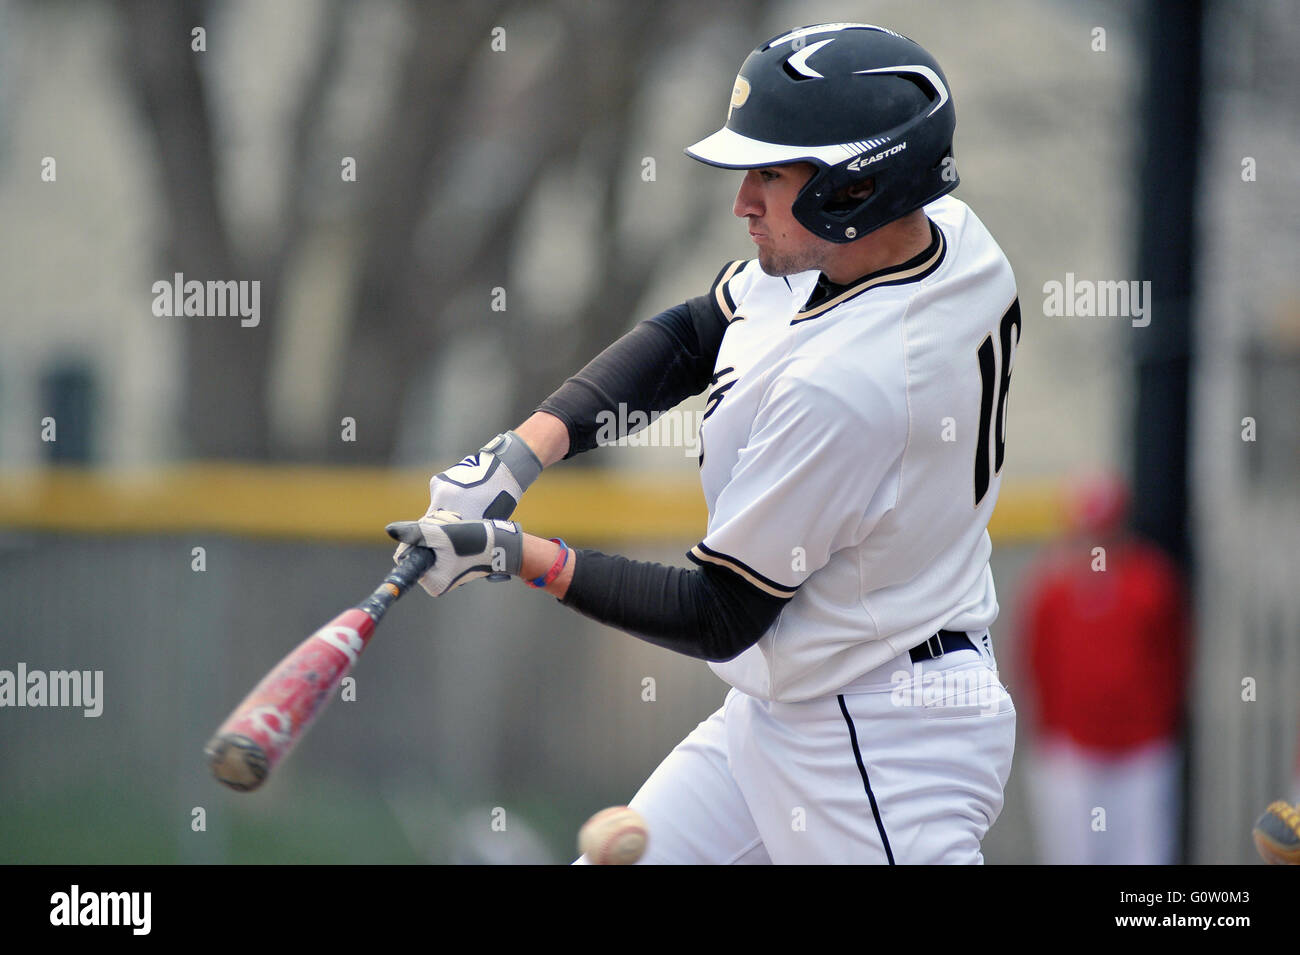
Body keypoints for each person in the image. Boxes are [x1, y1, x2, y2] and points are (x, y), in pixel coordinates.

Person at [388, 22, 1020, 864]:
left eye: (771, 172)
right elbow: (693, 333)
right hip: (798, 697)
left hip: (880, 735)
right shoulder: (932, 238)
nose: (743, 201)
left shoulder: (850, 386)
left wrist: (514, 553)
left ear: (857, 184)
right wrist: (520, 452)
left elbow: (719, 612)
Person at [1019, 474, 1189, 864]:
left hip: (1142, 751)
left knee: (1144, 856)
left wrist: (1159, 730)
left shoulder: (1152, 582)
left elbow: (1174, 661)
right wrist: (1051, 744)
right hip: (1072, 752)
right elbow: (1035, 665)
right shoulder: (1052, 589)